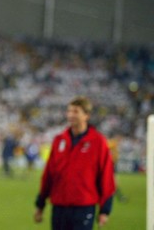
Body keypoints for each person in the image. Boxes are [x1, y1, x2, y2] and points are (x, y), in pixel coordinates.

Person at [34, 96, 116, 230]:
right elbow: (48, 174)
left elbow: (106, 176)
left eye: (76, 111)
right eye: (69, 111)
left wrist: (105, 210)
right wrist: (40, 204)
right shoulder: (59, 140)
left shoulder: (98, 142)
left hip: (83, 207)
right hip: (59, 206)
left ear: (87, 115)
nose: (71, 115)